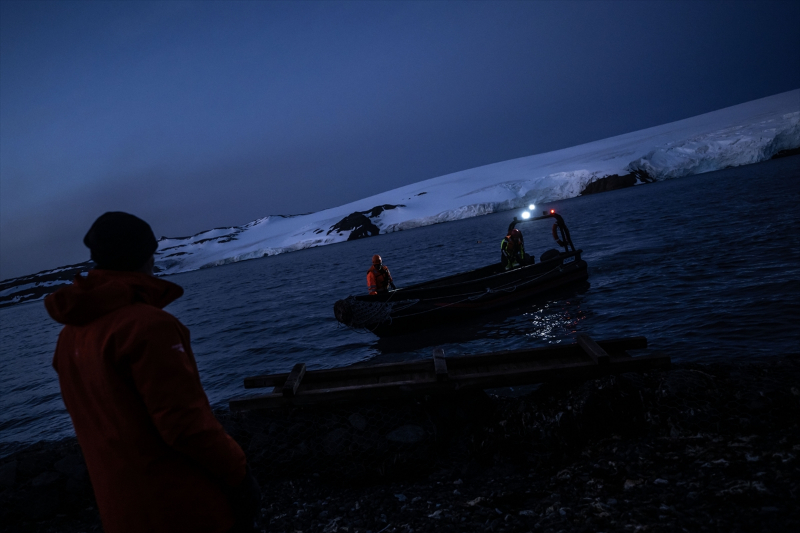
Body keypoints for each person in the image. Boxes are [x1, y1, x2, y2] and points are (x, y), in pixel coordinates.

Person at [45, 212, 260, 533]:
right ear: (147, 254)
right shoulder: (148, 326)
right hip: (180, 506)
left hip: (120, 507)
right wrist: (240, 475)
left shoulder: (69, 337)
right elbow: (186, 426)